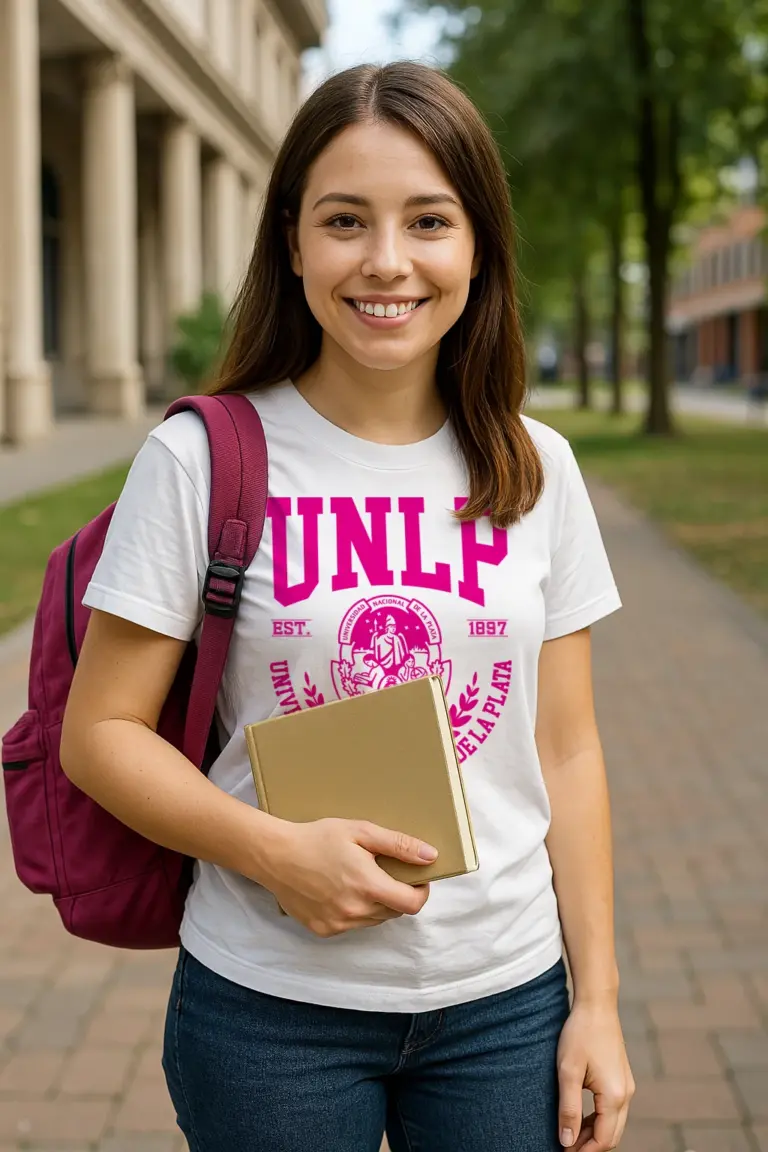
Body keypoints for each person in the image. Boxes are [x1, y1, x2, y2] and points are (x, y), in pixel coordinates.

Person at [60, 61, 634, 1152]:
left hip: (507, 1006)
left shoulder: (536, 468)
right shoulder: (200, 459)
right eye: (344, 221)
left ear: (478, 245)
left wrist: (596, 1004)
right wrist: (272, 853)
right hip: (271, 1011)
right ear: (291, 241)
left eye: (429, 220)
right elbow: (99, 736)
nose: (387, 262)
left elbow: (568, 750)